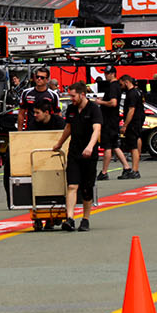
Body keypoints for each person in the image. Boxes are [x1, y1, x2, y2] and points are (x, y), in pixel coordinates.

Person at [53, 81, 102, 232]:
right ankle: (70, 218)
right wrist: (59, 143)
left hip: (89, 154)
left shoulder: (94, 109)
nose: (71, 99)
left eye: (73, 96)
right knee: (72, 185)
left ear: (82, 94)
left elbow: (97, 129)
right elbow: (68, 127)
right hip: (74, 152)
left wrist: (90, 146)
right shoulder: (71, 109)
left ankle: (85, 219)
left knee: (86, 189)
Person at [95, 75, 131, 181]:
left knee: (107, 146)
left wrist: (100, 102)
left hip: (109, 122)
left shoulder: (112, 87)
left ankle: (104, 172)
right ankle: (127, 167)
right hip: (113, 121)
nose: (105, 75)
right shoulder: (116, 87)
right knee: (115, 145)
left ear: (112, 74)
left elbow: (113, 103)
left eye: (107, 73)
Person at [118, 75, 145, 179]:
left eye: (121, 84)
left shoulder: (131, 94)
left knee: (133, 146)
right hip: (138, 121)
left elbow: (131, 110)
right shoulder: (138, 91)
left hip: (133, 122)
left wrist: (125, 125)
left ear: (126, 82)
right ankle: (135, 168)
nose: (121, 87)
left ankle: (135, 170)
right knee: (137, 141)